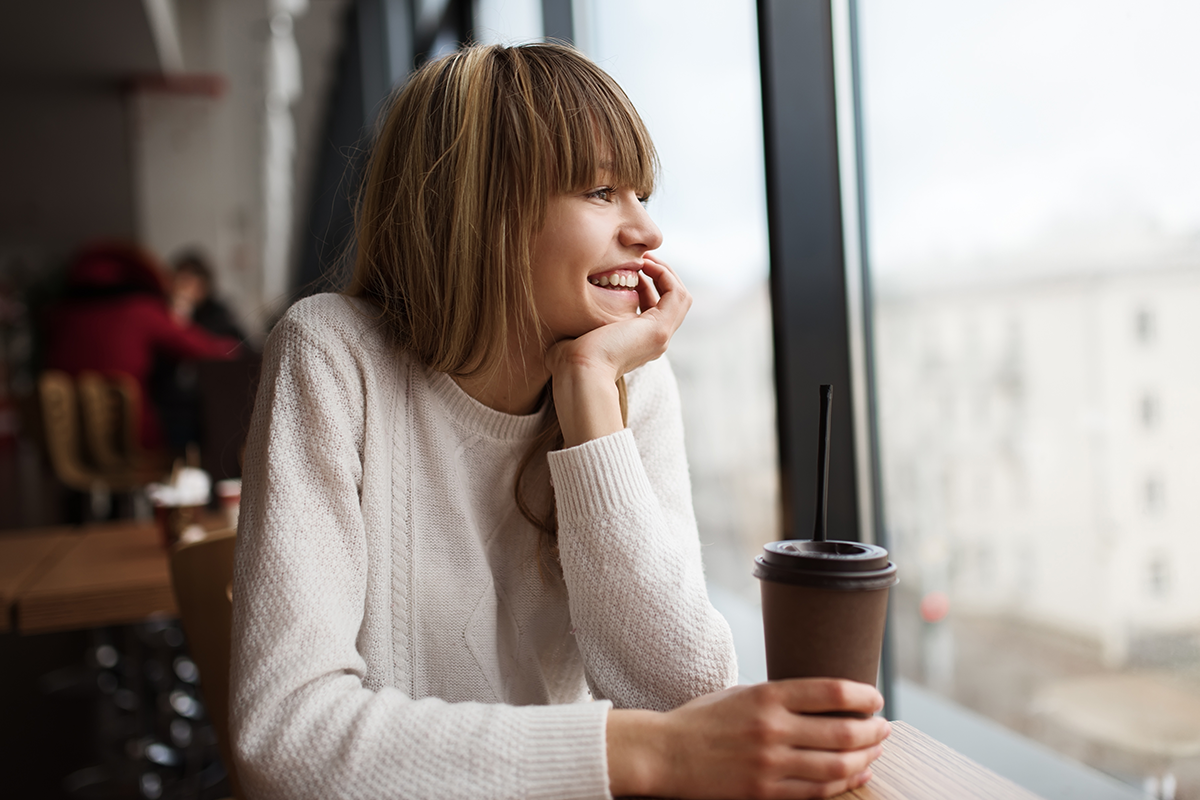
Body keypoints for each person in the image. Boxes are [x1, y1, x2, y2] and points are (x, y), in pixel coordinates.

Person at [230, 43, 890, 800]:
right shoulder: (333, 353)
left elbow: (685, 697)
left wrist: (590, 405)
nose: (646, 232)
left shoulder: (624, 379)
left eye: (641, 194)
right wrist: (643, 754)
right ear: (480, 209)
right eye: (602, 191)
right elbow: (284, 740)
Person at [43, 241, 240, 451]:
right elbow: (204, 348)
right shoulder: (140, 310)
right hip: (129, 437)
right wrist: (237, 348)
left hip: (66, 438)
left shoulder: (61, 315)